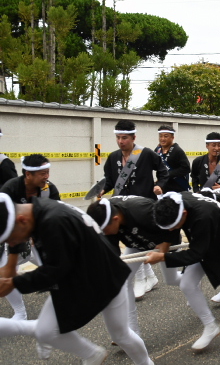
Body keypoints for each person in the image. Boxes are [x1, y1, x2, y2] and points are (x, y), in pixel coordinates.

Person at [0, 195, 154, 364]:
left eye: (11, 239)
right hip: (82, 277)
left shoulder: (53, 222)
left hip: (105, 278)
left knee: (121, 335)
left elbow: (54, 271)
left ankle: (132, 361)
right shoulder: (40, 211)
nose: (12, 244)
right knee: (46, 331)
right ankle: (91, 354)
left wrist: (14, 283)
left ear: (21, 220)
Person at [147, 191, 220, 350]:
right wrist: (164, 247)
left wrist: (162, 257)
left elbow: (195, 254)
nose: (172, 230)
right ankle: (210, 325)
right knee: (187, 284)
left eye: (174, 226)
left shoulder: (203, 216)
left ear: (184, 213)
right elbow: (192, 246)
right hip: (204, 242)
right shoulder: (175, 201)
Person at [86, 196, 182, 337]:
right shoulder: (106, 215)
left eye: (105, 230)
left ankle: (191, 280)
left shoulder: (142, 210)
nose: (105, 233)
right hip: (135, 244)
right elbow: (113, 252)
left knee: (172, 280)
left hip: (162, 242)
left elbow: (173, 221)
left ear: (116, 219)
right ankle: (132, 330)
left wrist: (165, 247)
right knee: (124, 281)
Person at [101, 120, 169, 299]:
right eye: (118, 137)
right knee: (133, 241)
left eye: (124, 138)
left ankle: (140, 280)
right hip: (121, 207)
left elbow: (163, 172)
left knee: (135, 242)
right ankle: (150, 278)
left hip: (143, 207)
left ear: (133, 138)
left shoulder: (146, 154)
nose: (120, 141)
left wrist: (160, 185)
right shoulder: (113, 157)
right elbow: (110, 180)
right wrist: (102, 190)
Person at [0, 154, 61, 322]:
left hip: (41, 240)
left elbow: (57, 216)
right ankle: (20, 313)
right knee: (5, 273)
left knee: (57, 273)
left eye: (47, 172)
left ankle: (62, 307)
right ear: (28, 174)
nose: (47, 176)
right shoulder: (10, 189)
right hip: (16, 240)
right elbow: (6, 223)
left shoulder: (49, 190)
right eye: (43, 173)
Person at [154, 125, 191, 193]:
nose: (162, 139)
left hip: (177, 187)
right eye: (160, 136)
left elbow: (186, 168)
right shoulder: (158, 150)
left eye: (166, 136)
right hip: (163, 186)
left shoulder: (177, 150)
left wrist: (167, 174)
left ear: (172, 137)